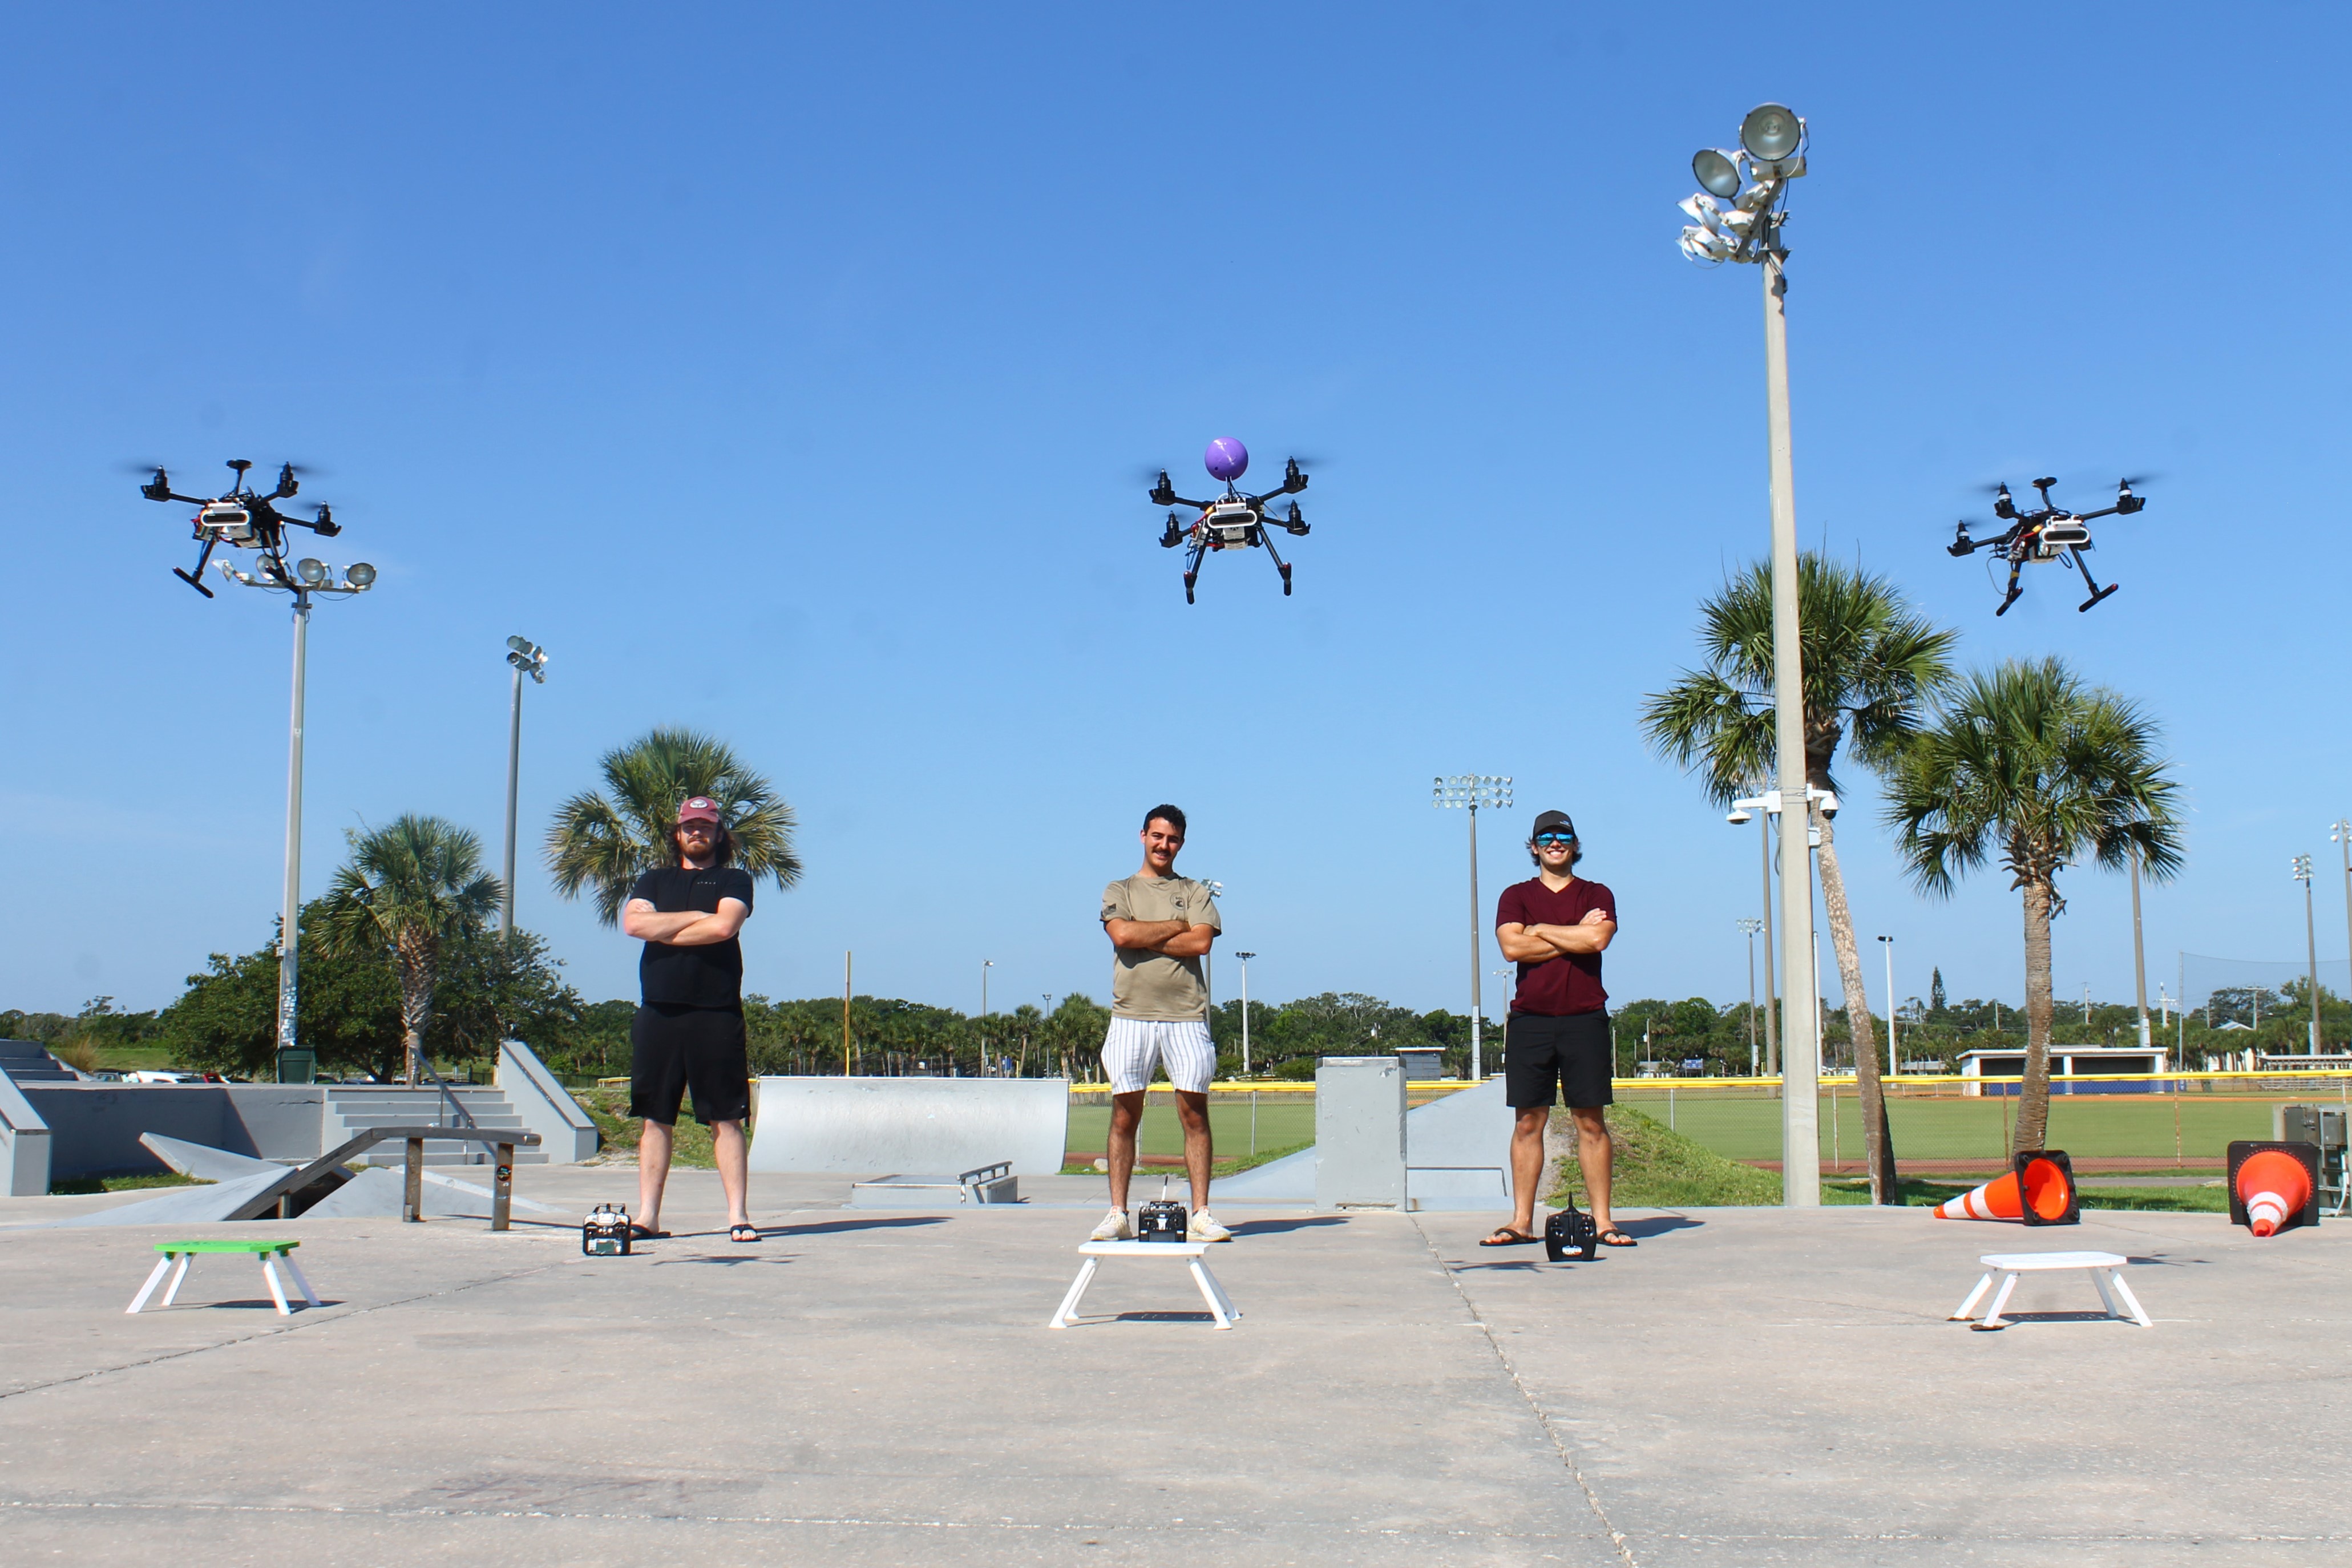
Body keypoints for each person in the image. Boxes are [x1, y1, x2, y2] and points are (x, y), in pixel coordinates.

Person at [1482, 809, 1634, 1249]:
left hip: (1585, 1018)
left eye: (1564, 837)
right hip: (1530, 1021)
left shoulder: (1596, 893)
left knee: (1590, 1121)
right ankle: (1521, 1222)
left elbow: (1597, 940)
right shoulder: (1516, 895)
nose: (1555, 843)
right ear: (1534, 847)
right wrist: (1571, 935)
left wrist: (1540, 931)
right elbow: (1512, 949)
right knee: (1529, 1122)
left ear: (1575, 845)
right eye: (1546, 838)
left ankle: (1603, 1221)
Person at [1089, 805, 1232, 1243]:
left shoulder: (1195, 891)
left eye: (1172, 839)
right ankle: (1117, 1213)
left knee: (1194, 1114)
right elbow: (1122, 935)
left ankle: (1202, 1213)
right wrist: (1174, 926)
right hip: (1130, 1015)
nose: (1163, 845)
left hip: (1186, 1017)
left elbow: (1201, 942)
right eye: (1157, 836)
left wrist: (1145, 933)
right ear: (1143, 836)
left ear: (1181, 843)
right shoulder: (1120, 889)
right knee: (1124, 1115)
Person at [619, 796, 758, 1243]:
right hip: (658, 1010)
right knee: (655, 1117)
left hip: (716, 1012)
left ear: (719, 833)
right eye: (690, 826)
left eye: (706, 826)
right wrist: (697, 917)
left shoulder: (735, 879)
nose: (697, 833)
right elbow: (633, 926)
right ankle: (647, 1217)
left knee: (726, 1118)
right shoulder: (654, 879)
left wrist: (665, 927)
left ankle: (738, 1216)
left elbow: (724, 928)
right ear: (678, 833)